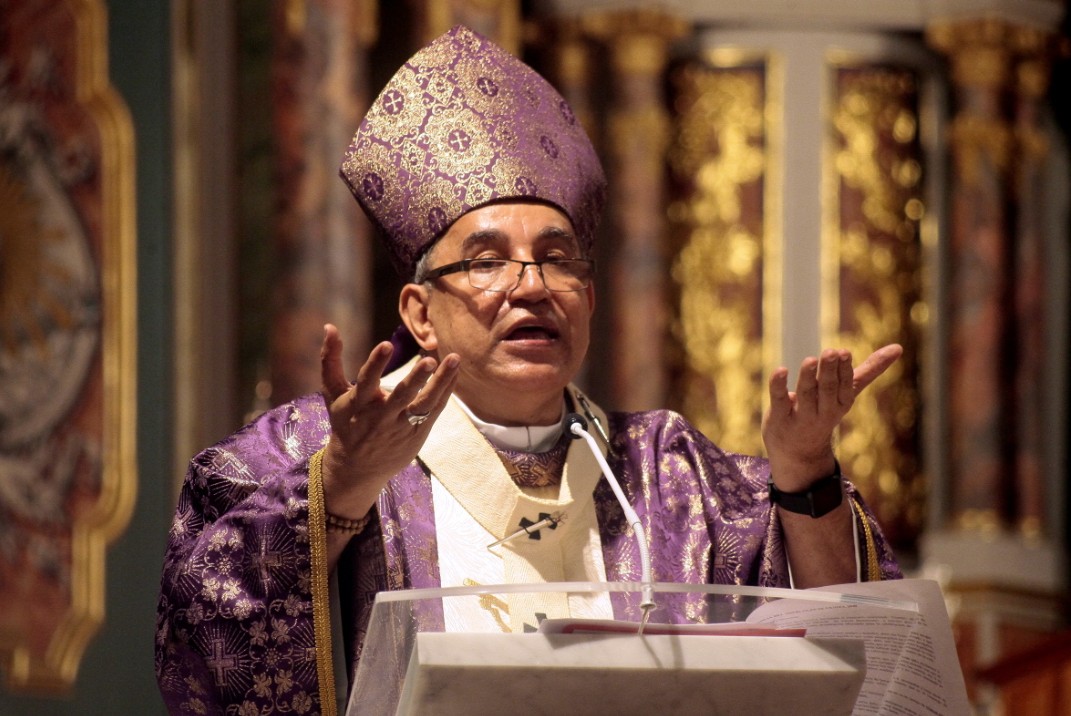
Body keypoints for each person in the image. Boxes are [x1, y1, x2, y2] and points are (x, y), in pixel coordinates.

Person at [155, 24, 902, 715]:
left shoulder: (671, 473)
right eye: (486, 262)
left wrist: (804, 476)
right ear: (419, 312)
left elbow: (854, 657)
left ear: (589, 298)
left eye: (556, 259)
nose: (531, 285)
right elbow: (200, 633)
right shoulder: (313, 451)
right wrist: (343, 489)